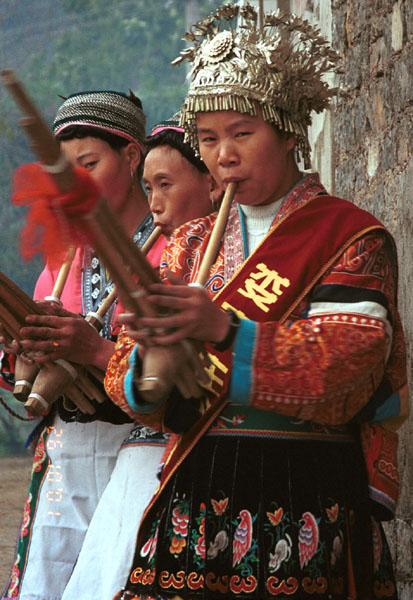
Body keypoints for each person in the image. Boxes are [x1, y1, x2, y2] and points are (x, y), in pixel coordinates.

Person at [105, 4, 408, 600]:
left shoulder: (350, 235)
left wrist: (223, 330)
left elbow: (350, 365)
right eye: (210, 139)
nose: (224, 155)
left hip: (305, 489)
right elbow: (125, 374)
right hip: (198, 479)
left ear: (289, 131)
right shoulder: (189, 244)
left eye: (243, 133)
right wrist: (150, 363)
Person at [0, 90, 165, 600]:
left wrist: (97, 350)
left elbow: (184, 368)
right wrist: (23, 353)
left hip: (145, 452)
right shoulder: (63, 255)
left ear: (132, 157)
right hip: (66, 457)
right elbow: (22, 385)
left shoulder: (176, 244)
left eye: (89, 164)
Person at [59, 116, 220, 600]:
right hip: (109, 452)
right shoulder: (164, 257)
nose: (154, 203)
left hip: (182, 452)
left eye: (165, 184)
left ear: (211, 183)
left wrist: (95, 351)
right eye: (149, 187)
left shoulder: (188, 253)